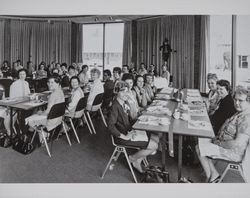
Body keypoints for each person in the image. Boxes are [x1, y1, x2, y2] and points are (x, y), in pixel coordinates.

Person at [196, 86, 250, 183]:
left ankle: (212, 177)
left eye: (241, 101)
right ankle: (212, 176)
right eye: (235, 100)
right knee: (201, 141)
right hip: (224, 144)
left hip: (234, 152)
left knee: (200, 148)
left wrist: (218, 144)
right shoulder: (240, 113)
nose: (236, 103)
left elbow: (237, 143)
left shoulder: (247, 119)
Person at [107, 81, 159, 173]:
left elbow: (128, 120)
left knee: (156, 138)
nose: (125, 94)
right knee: (154, 145)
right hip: (122, 137)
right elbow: (110, 126)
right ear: (116, 91)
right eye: (122, 91)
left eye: (127, 91)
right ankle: (133, 159)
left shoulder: (124, 103)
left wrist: (142, 120)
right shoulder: (115, 106)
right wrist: (124, 136)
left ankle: (137, 160)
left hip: (130, 131)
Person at [0, 69, 31, 135]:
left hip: (25, 103)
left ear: (26, 75)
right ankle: (14, 131)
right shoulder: (14, 84)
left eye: (24, 74)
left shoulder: (26, 83)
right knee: (13, 114)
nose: (22, 76)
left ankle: (27, 129)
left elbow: (28, 94)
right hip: (17, 104)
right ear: (18, 75)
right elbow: (12, 97)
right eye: (20, 74)